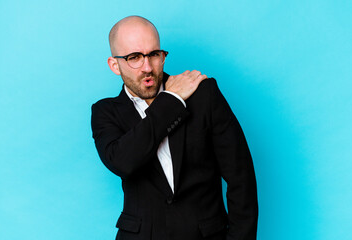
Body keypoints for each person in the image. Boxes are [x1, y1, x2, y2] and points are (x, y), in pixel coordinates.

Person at [91, 16, 258, 240]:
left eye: (154, 55)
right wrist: (171, 100)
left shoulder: (204, 95)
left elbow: (241, 177)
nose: (147, 67)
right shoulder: (105, 112)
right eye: (134, 58)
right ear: (115, 65)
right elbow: (123, 162)